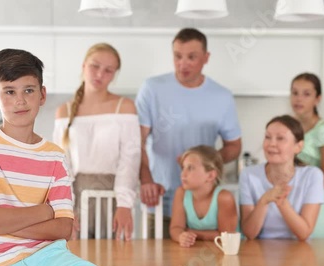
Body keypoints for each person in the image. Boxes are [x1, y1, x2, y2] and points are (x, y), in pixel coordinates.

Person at [0, 48, 113, 266]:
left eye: (28, 90)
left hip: (53, 258)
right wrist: (45, 211)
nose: (20, 100)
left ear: (42, 95)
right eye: (9, 92)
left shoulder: (55, 156)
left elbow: (63, 228)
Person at [135, 28, 242, 238]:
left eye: (192, 57)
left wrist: (203, 164)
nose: (183, 64)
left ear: (206, 58)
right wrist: (146, 180)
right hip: (159, 200)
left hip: (204, 207)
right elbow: (137, 142)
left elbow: (234, 146)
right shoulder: (152, 88)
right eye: (177, 56)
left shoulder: (222, 97)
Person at [53, 43, 140, 241]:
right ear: (84, 66)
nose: (100, 74)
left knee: (115, 261)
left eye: (109, 70)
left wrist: (124, 204)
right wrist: (66, 208)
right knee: (77, 260)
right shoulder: (64, 111)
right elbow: (61, 166)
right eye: (95, 66)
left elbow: (131, 158)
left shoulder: (124, 107)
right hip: (76, 197)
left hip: (114, 196)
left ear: (114, 74)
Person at [239, 115, 324, 241]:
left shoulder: (312, 176)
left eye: (280, 138)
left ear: (298, 147)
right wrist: (263, 201)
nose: (271, 144)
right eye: (267, 137)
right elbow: (249, 233)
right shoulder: (248, 175)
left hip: (299, 252)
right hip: (259, 251)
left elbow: (304, 233)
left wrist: (282, 203)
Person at [290, 72, 324, 237]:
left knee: (318, 254)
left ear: (317, 99)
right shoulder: (289, 126)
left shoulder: (323, 129)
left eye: (306, 94)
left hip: (315, 200)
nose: (299, 99)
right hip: (293, 199)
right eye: (295, 92)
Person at [170, 145, 238, 247]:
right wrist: (181, 237)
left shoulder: (224, 198)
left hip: (227, 253)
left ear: (210, 175)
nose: (183, 174)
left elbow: (226, 237)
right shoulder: (181, 193)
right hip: (194, 251)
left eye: (190, 168)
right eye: (183, 168)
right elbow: (175, 228)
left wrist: (191, 232)